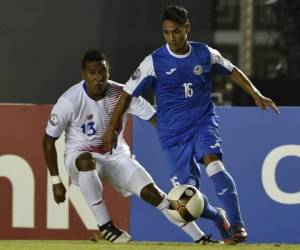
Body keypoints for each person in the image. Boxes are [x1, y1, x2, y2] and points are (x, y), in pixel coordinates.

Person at [102, 5, 280, 245]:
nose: (172, 38)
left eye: (176, 31)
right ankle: (219, 217)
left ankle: (237, 226)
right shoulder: (154, 62)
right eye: (166, 32)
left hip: (202, 123)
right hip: (172, 135)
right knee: (183, 201)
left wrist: (256, 93)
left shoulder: (204, 53)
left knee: (213, 164)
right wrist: (112, 128)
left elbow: (232, 71)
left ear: (187, 28)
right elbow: (126, 95)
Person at [42, 48, 231, 244]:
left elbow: (156, 119)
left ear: (109, 71)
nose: (99, 77)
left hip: (117, 157)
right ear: (83, 74)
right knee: (85, 160)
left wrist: (183, 138)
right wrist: (56, 181)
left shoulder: (122, 94)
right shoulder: (69, 101)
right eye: (93, 72)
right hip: (79, 157)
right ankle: (106, 226)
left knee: (156, 195)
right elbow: (48, 141)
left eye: (103, 71)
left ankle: (200, 239)